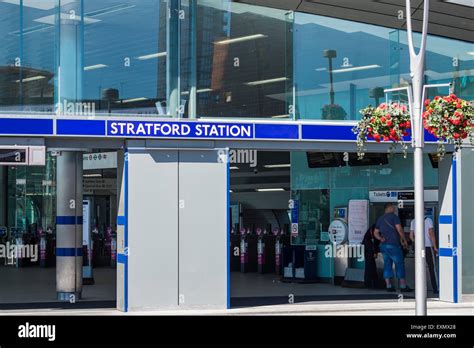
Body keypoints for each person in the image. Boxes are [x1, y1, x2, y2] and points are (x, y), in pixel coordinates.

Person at [373, 203, 412, 292]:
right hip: (394, 245)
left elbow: (375, 233)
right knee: (399, 264)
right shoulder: (394, 217)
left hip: (384, 246)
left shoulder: (380, 219)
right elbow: (399, 229)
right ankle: (402, 285)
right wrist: (404, 240)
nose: (394, 209)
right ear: (389, 208)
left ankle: (389, 286)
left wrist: (381, 238)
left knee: (387, 264)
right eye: (393, 207)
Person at [410, 211, 439, 294]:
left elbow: (411, 237)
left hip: (418, 248)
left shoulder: (413, 221)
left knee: (419, 268)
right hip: (428, 247)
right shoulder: (428, 220)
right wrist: (435, 247)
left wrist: (418, 243)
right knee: (431, 268)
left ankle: (420, 289)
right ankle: (435, 288)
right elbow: (431, 234)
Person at [362, 224, 380, 289]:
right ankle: (372, 282)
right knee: (371, 264)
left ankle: (369, 282)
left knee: (369, 264)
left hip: (366, 244)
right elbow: (376, 240)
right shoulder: (378, 227)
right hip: (369, 246)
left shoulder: (375, 225)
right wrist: (375, 251)